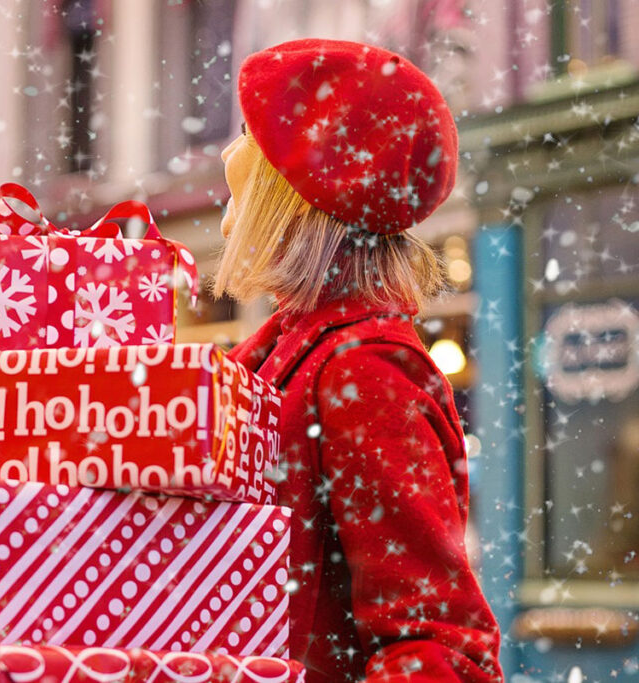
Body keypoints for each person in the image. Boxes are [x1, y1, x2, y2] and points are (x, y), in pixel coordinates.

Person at [216, 39, 504, 681]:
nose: (231, 154)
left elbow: (433, 640)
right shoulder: (290, 356)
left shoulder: (362, 373)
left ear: (293, 193)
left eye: (249, 135)